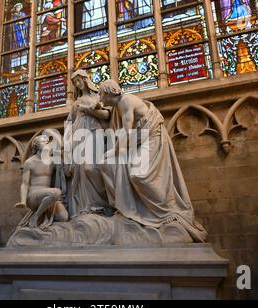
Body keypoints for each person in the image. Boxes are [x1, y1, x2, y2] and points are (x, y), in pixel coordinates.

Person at [98, 80, 207, 242]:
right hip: (141, 138)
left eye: (100, 94)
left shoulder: (125, 101)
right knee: (121, 169)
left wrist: (114, 152)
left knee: (138, 174)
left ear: (107, 93)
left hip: (152, 136)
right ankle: (136, 211)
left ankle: (168, 211)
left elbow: (127, 132)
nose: (100, 98)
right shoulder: (119, 106)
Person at [64, 69, 112, 217]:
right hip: (79, 136)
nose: (77, 85)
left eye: (78, 81)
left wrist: (89, 110)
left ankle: (102, 204)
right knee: (80, 170)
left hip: (95, 132)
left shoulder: (99, 96)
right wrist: (67, 141)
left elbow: (107, 114)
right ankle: (86, 206)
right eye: (74, 83)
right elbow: (69, 122)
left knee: (92, 168)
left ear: (85, 79)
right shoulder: (76, 102)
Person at [15, 135, 68, 228]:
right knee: (56, 192)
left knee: (64, 217)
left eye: (48, 142)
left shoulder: (52, 161)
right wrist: (23, 201)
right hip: (33, 196)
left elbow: (65, 172)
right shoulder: (29, 162)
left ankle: (41, 214)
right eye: (44, 141)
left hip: (49, 196)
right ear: (36, 145)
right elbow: (24, 183)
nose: (47, 143)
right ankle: (36, 216)